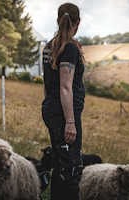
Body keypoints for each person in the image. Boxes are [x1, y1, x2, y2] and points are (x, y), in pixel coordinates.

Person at [41, 3, 86, 200]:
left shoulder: (49, 46)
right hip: (64, 115)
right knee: (71, 170)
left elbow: (47, 84)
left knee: (60, 166)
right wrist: (70, 122)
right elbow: (65, 87)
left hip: (51, 110)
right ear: (78, 22)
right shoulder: (69, 49)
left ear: (58, 21)